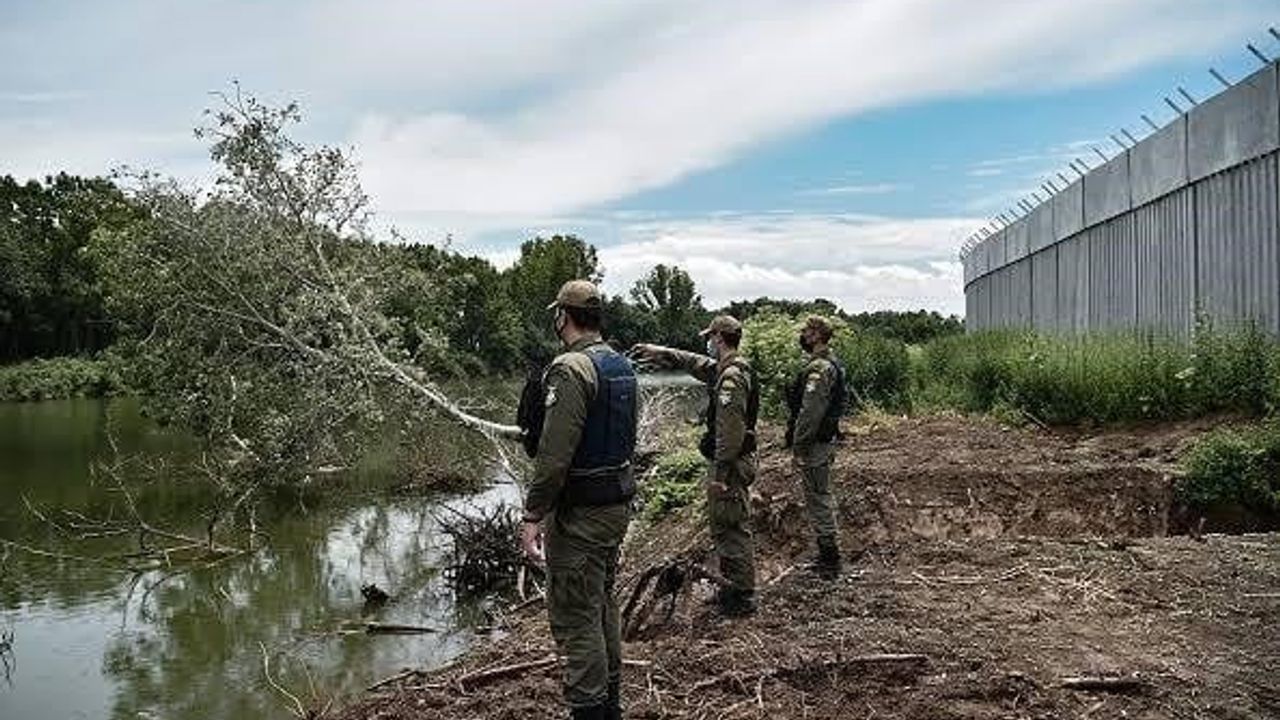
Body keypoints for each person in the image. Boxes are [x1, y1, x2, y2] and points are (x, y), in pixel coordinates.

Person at [520, 280, 638, 720]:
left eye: (557, 314)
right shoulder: (621, 365)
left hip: (581, 516)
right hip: (615, 506)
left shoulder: (571, 368)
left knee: (576, 617)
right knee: (602, 604)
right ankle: (610, 706)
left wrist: (533, 514)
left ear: (563, 316)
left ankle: (590, 710)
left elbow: (554, 457)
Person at [632, 315, 759, 617]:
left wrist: (721, 475)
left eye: (710, 338)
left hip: (730, 465)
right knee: (724, 525)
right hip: (731, 463)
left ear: (719, 338)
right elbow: (696, 363)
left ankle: (741, 596)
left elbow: (730, 434)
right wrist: (662, 352)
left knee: (731, 527)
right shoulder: (729, 368)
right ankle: (732, 588)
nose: (708, 343)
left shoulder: (731, 378)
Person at [784, 315, 847, 580]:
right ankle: (827, 553)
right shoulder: (824, 363)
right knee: (818, 495)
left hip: (816, 445)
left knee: (818, 497)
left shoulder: (820, 368)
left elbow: (810, 413)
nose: (802, 335)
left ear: (818, 335)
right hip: (821, 442)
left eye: (807, 331)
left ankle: (829, 558)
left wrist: (799, 447)